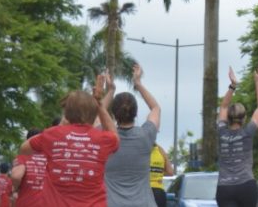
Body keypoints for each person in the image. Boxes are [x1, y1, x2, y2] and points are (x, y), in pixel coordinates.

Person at [20, 75, 120, 206]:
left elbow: (24, 149)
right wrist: (99, 104)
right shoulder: (102, 139)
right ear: (93, 112)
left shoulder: (51, 135)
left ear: (66, 113)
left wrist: (62, 125)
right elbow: (115, 136)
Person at [104, 64, 162, 206]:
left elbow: (98, 113)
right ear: (135, 113)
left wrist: (110, 90)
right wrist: (138, 83)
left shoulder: (106, 137)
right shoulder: (145, 136)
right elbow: (155, 108)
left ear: (114, 114)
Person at [215, 64, 258, 207]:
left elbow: (223, 106)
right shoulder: (247, 133)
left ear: (228, 119)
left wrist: (233, 86)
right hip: (246, 186)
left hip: (225, 188)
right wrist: (257, 81)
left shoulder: (221, 131)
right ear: (244, 119)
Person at [10, 129, 47, 207]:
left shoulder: (23, 157)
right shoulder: (50, 158)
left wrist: (15, 189)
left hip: (26, 203)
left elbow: (16, 176)